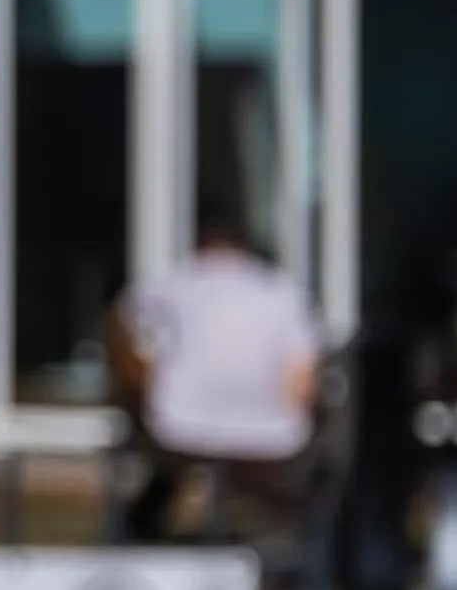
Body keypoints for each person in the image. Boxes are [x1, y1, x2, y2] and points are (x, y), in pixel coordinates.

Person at [109, 195, 322, 542]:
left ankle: (143, 533)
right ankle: (284, 537)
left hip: (179, 423)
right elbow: (302, 375)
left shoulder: (177, 282)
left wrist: (141, 384)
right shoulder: (283, 292)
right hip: (271, 430)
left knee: (169, 466)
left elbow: (122, 324)